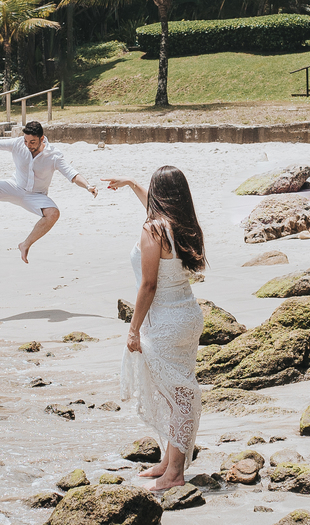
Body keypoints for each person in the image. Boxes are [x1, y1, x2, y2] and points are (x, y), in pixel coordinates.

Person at [103, 167, 205, 492]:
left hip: (165, 323)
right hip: (187, 317)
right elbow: (156, 210)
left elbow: (148, 284)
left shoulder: (153, 229)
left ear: (157, 194)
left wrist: (133, 329)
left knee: (179, 396)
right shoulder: (183, 225)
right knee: (177, 391)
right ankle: (169, 461)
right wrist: (131, 183)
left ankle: (175, 473)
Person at [0, 121, 98, 263]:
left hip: (36, 196)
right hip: (14, 187)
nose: (28, 145)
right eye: (26, 141)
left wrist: (88, 186)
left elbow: (72, 174)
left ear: (42, 138)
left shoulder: (54, 155)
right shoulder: (18, 143)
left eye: (32, 142)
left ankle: (25, 244)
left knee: (53, 214)